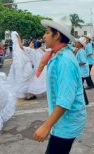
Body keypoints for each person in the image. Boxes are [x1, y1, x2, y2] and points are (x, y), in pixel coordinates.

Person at [33, 16, 86, 154]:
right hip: (62, 121)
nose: (44, 36)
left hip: (66, 123)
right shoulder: (58, 55)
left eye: (47, 32)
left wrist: (46, 126)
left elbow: (65, 100)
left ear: (57, 35)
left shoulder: (65, 60)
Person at [74, 37, 89, 105]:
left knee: (80, 86)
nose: (76, 43)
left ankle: (85, 101)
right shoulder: (79, 51)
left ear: (80, 44)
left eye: (77, 42)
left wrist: (75, 64)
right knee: (80, 86)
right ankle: (85, 101)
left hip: (82, 71)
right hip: (81, 71)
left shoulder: (81, 52)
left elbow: (83, 62)